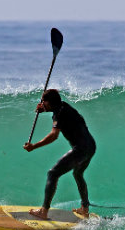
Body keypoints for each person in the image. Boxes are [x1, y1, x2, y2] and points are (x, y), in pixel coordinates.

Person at [23, 89, 96, 219]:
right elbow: (58, 113)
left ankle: (43, 211)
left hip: (81, 149)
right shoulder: (64, 106)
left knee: (53, 173)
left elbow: (54, 135)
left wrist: (34, 146)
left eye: (43, 102)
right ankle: (85, 209)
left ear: (49, 102)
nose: (41, 103)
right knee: (78, 173)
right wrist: (44, 110)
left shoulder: (59, 113)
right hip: (91, 146)